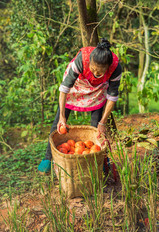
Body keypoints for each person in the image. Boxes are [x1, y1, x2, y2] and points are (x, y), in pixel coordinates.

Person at [38, 38, 122, 173]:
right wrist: (62, 117)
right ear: (90, 62)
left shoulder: (115, 68)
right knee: (58, 124)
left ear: (107, 68)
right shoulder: (81, 60)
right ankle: (48, 157)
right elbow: (64, 88)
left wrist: (103, 122)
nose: (95, 73)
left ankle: (99, 161)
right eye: (93, 69)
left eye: (99, 72)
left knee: (96, 129)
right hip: (77, 86)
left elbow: (112, 97)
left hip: (98, 90)